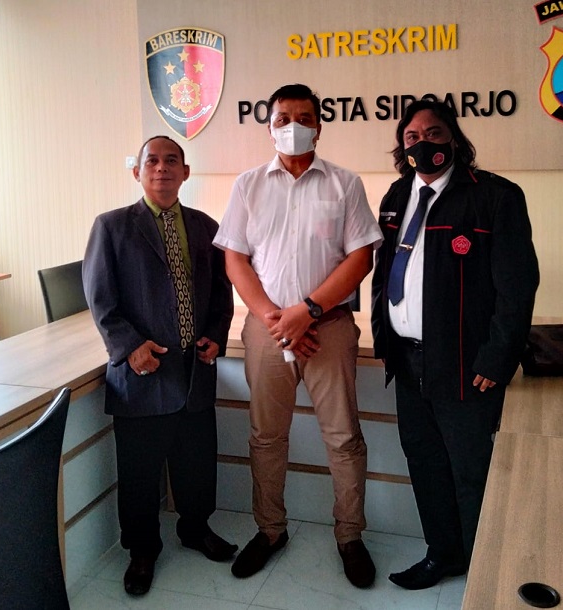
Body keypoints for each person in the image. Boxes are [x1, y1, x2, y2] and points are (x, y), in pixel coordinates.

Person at [213, 83, 383, 588]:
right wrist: (276, 319)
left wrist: (307, 313)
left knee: (344, 437)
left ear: (319, 127)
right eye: (283, 118)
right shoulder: (248, 185)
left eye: (304, 118)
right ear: (269, 127)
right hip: (267, 330)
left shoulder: (345, 184)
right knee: (266, 436)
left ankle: (350, 536)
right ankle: (270, 530)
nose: (293, 127)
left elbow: (361, 257)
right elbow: (235, 259)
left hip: (328, 328)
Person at [371, 99, 539, 590]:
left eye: (434, 133)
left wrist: (498, 357)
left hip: (467, 365)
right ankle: (443, 555)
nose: (422, 143)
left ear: (454, 139)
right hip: (408, 361)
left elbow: (517, 286)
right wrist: (385, 340)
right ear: (402, 148)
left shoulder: (495, 196)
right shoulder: (397, 195)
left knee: (472, 472)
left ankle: (487, 571)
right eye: (412, 137)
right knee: (425, 463)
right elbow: (384, 274)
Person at [83, 135, 236, 597]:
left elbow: (221, 293)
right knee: (139, 471)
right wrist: (130, 347)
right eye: (152, 161)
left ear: (186, 172)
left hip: (194, 369)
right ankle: (142, 550)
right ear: (138, 171)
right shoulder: (112, 227)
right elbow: (101, 299)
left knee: (196, 461)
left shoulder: (207, 227)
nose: (162, 168)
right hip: (143, 371)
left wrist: (216, 335)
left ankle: (195, 528)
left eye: (172, 161)